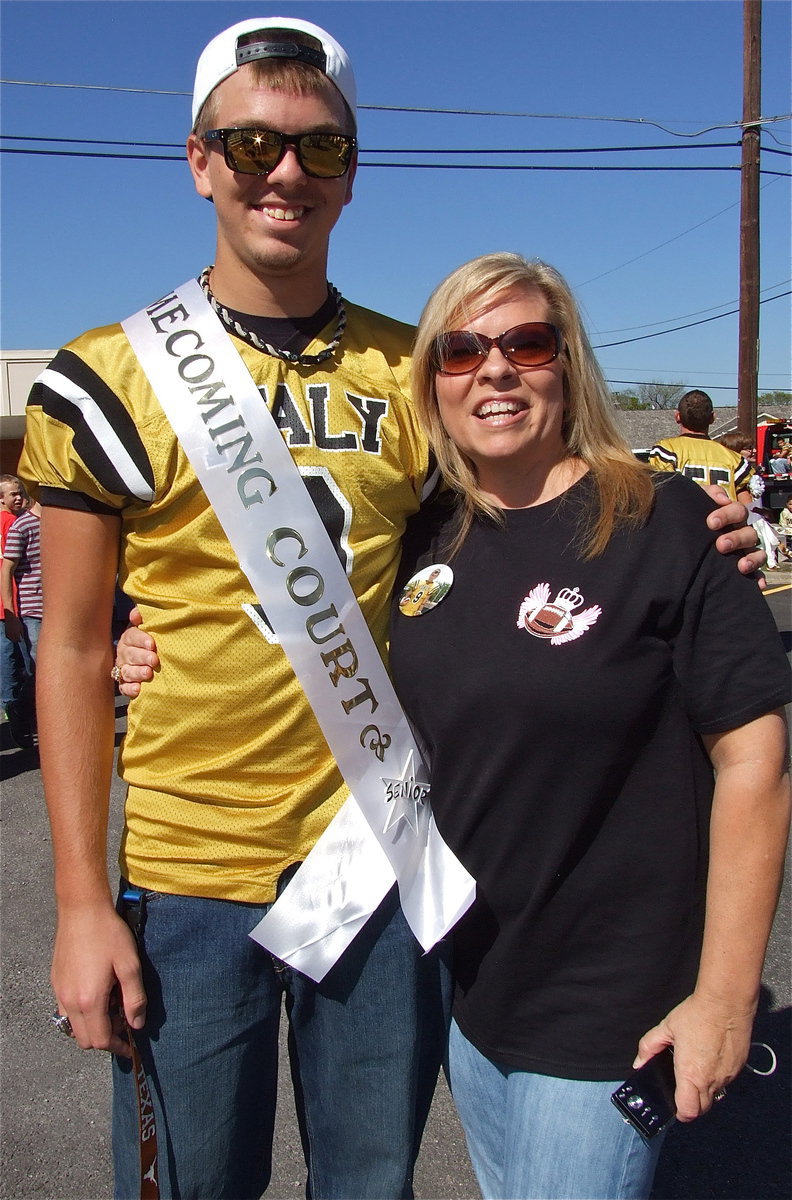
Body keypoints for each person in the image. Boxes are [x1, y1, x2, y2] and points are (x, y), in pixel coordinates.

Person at [24, 17, 766, 1200]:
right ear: (200, 159)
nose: (284, 173)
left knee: (371, 1181)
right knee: (190, 1182)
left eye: (319, 150)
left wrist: (695, 521)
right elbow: (65, 640)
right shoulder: (103, 375)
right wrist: (75, 904)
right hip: (188, 868)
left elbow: (529, 519)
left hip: (376, 860)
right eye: (252, 144)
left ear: (352, 172)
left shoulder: (415, 374)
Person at [385, 253, 791, 1200]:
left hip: (610, 997)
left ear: (567, 366)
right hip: (472, 987)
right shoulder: (421, 534)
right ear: (432, 381)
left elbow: (756, 763)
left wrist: (728, 998)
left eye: (526, 342)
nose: (495, 368)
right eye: (461, 349)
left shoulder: (669, 522)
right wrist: (139, 647)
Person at [648, 389, 754, 502]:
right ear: (712, 418)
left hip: (683, 518)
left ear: (677, 417)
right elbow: (747, 506)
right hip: (724, 518)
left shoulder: (666, 450)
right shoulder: (735, 459)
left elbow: (663, 493)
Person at [0, 474, 28, 742]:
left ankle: (11, 705)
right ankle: (13, 707)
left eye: (20, 493)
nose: (18, 498)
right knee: (15, 658)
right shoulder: (11, 522)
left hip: (6, 604)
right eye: (12, 495)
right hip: (11, 603)